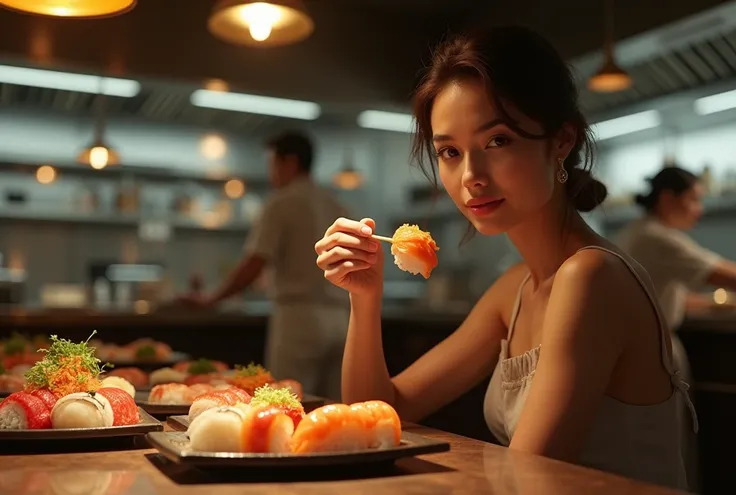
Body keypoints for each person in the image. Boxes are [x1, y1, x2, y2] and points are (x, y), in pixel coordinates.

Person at [314, 26, 697, 490]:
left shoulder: (591, 276)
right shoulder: (517, 287)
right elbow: (374, 412)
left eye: (497, 141)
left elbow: (526, 479)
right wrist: (364, 295)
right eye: (450, 152)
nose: (470, 176)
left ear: (560, 142)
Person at [180, 131, 350, 400]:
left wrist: (212, 299)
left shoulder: (282, 202)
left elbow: (255, 261)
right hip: (342, 318)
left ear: (290, 162)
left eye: (273, 164)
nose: (272, 174)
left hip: (299, 320)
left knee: (286, 401)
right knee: (336, 406)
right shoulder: (336, 204)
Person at [616, 166, 736, 491]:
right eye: (694, 199)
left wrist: (716, 304)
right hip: (651, 357)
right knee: (662, 453)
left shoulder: (636, 232)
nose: (700, 209)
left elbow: (671, 297)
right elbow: (727, 276)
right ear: (669, 199)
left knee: (644, 450)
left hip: (631, 357)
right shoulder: (658, 238)